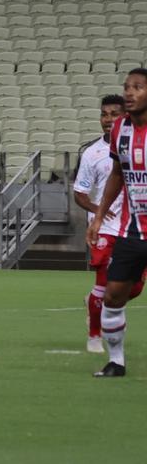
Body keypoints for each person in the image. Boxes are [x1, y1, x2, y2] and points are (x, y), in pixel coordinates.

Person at [87, 68, 147, 377]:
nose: (130, 92)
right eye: (127, 87)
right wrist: (98, 216)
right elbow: (117, 174)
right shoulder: (120, 129)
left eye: (138, 87)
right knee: (113, 295)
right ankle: (116, 361)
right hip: (132, 230)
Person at [74, 94, 142, 354]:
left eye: (114, 114)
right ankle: (94, 336)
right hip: (106, 228)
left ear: (125, 115)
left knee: (133, 287)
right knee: (104, 284)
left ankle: (94, 300)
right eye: (104, 114)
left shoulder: (138, 143)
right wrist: (98, 212)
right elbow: (80, 193)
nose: (108, 119)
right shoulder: (92, 153)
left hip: (135, 225)